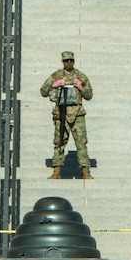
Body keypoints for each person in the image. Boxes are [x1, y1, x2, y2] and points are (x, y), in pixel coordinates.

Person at [40, 51, 94, 179]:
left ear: (74, 61)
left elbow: (89, 95)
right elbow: (43, 91)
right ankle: (57, 171)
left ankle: (85, 172)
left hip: (77, 114)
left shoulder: (80, 76)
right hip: (61, 113)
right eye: (66, 61)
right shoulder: (57, 75)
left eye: (71, 60)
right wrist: (54, 85)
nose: (68, 63)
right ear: (62, 62)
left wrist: (80, 87)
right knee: (59, 142)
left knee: (81, 143)